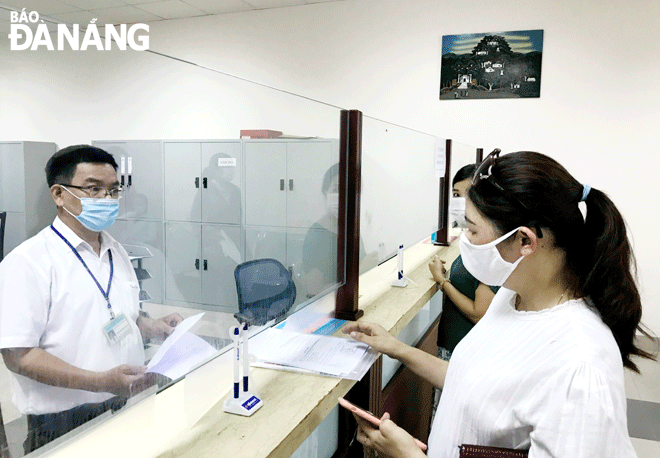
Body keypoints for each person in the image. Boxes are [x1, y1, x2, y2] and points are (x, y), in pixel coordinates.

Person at [343, 150, 655, 457]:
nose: (465, 238)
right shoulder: (513, 295)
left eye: (472, 229)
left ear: (525, 241)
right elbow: (477, 384)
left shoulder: (579, 368)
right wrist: (395, 348)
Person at [0, 145, 183, 453]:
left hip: (127, 401)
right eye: (93, 189)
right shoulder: (29, 262)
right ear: (59, 194)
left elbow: (119, 313)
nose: (106, 200)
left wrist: (149, 325)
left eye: (113, 191)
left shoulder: (116, 250)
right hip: (62, 420)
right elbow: (19, 356)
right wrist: (100, 381)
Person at [429, 164, 498, 364]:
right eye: (455, 195)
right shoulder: (471, 241)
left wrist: (443, 282)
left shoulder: (488, 247)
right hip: (453, 348)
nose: (459, 202)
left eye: (465, 194)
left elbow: (479, 314)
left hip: (465, 354)